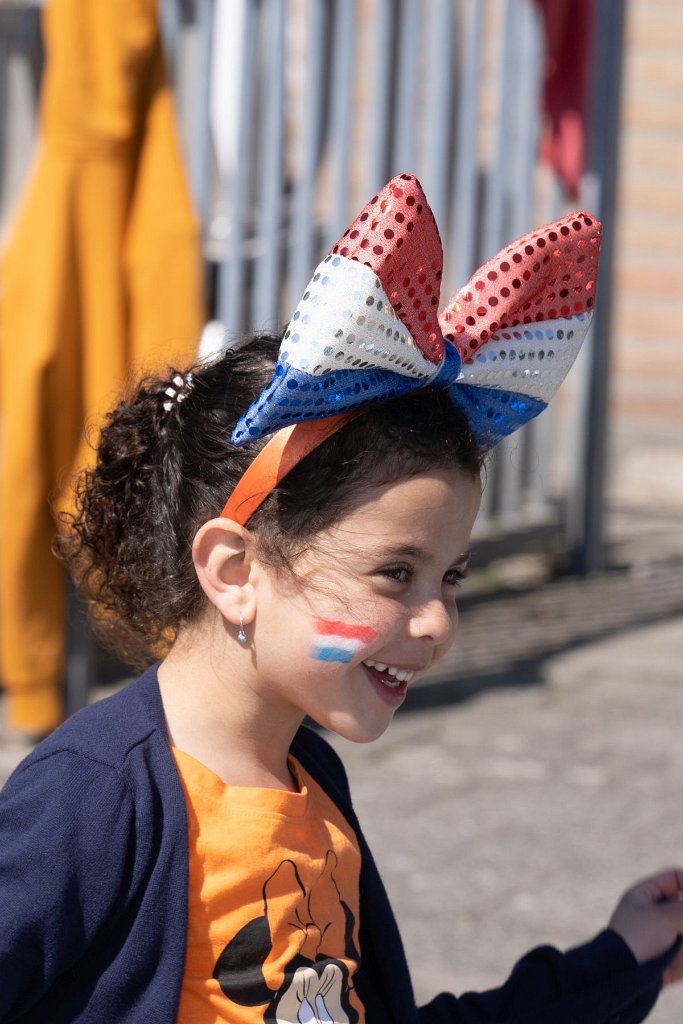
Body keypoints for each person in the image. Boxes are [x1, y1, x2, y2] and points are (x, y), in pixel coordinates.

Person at [0, 174, 681, 1024]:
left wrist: (618, 960)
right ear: (235, 572)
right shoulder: (94, 796)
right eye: (396, 574)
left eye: (451, 577)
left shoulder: (311, 786)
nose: (437, 622)